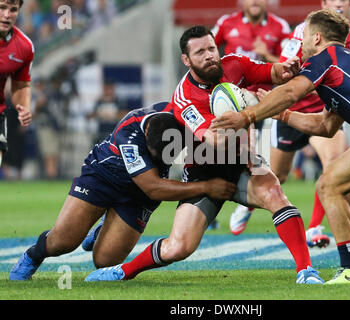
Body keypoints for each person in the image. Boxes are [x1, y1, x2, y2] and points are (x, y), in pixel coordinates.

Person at [84, 26, 324, 284]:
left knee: (275, 194)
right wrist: (250, 106)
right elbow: (216, 141)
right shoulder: (185, 97)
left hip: (243, 161)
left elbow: (272, 72)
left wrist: (285, 69)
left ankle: (306, 271)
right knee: (178, 247)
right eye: (200, 52)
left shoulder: (234, 64)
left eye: (211, 48)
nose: (210, 55)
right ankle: (123, 271)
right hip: (203, 171)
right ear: (186, 60)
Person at [211, 9, 350, 284]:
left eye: (303, 38)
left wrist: (245, 116)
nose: (300, 44)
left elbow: (291, 92)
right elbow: (325, 126)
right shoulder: (346, 63)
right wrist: (284, 115)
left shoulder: (326, 59)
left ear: (316, 37)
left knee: (327, 185)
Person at [9, 102, 237, 280]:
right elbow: (154, 188)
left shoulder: (181, 116)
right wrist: (207, 187)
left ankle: (101, 232)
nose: (160, 159)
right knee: (64, 242)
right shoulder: (130, 135)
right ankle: (33, 255)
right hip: (103, 177)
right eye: (155, 155)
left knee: (105, 261)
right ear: (146, 134)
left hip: (138, 196)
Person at [229, 0, 350, 246]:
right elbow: (286, 71)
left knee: (332, 165)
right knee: (278, 175)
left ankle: (314, 227)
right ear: (324, 3)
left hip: (327, 112)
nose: (338, 3)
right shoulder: (304, 32)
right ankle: (249, 204)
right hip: (292, 111)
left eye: (343, 0)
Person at [212, 0, 292, 232]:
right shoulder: (226, 23)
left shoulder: (281, 27)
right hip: (231, 104)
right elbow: (205, 52)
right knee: (211, 154)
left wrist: (266, 53)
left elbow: (288, 66)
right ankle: (203, 207)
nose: (255, 1)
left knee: (278, 172)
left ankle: (248, 204)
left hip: (267, 102)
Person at [0, 0, 33, 167]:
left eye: (13, 10)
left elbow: (21, 86)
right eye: (2, 8)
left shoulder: (24, 46)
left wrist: (24, 107)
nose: (7, 15)